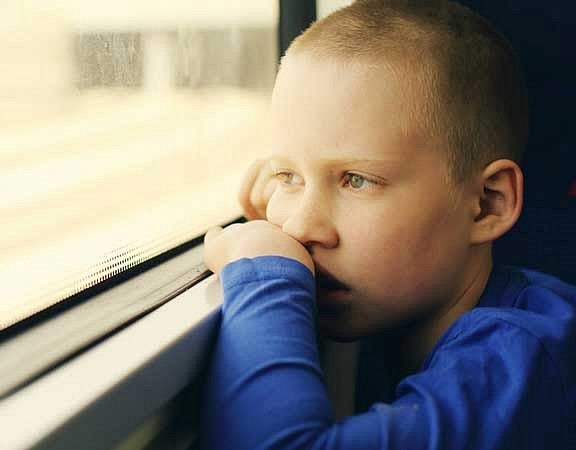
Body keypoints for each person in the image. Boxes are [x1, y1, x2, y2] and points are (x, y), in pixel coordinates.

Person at [199, 1, 576, 449]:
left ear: (486, 204)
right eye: (287, 176)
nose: (301, 228)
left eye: (357, 180)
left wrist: (263, 272)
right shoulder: (408, 310)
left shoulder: (518, 358)